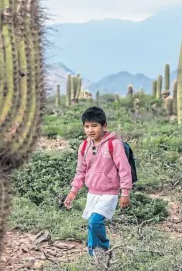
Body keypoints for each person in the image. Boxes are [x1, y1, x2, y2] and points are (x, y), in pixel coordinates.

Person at [64, 106, 133, 256]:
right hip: (92, 193)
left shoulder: (113, 144)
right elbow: (80, 171)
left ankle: (102, 251)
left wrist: (125, 193)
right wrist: (73, 192)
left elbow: (124, 169)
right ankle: (93, 256)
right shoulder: (84, 146)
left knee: (95, 222)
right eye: (87, 126)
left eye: (94, 126)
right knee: (91, 225)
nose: (90, 130)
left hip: (109, 194)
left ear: (104, 126)